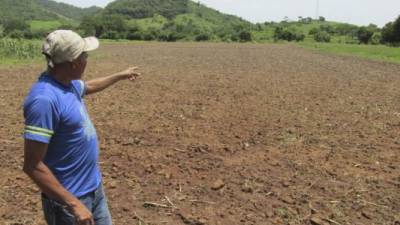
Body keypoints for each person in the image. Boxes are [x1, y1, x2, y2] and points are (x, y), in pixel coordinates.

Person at [22, 30, 140, 225]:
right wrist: (73, 204)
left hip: (93, 188)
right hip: (70, 202)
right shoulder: (44, 100)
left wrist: (120, 75)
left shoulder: (67, 84)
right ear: (73, 63)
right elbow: (32, 165)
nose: (87, 59)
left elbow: (89, 86)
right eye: (85, 55)